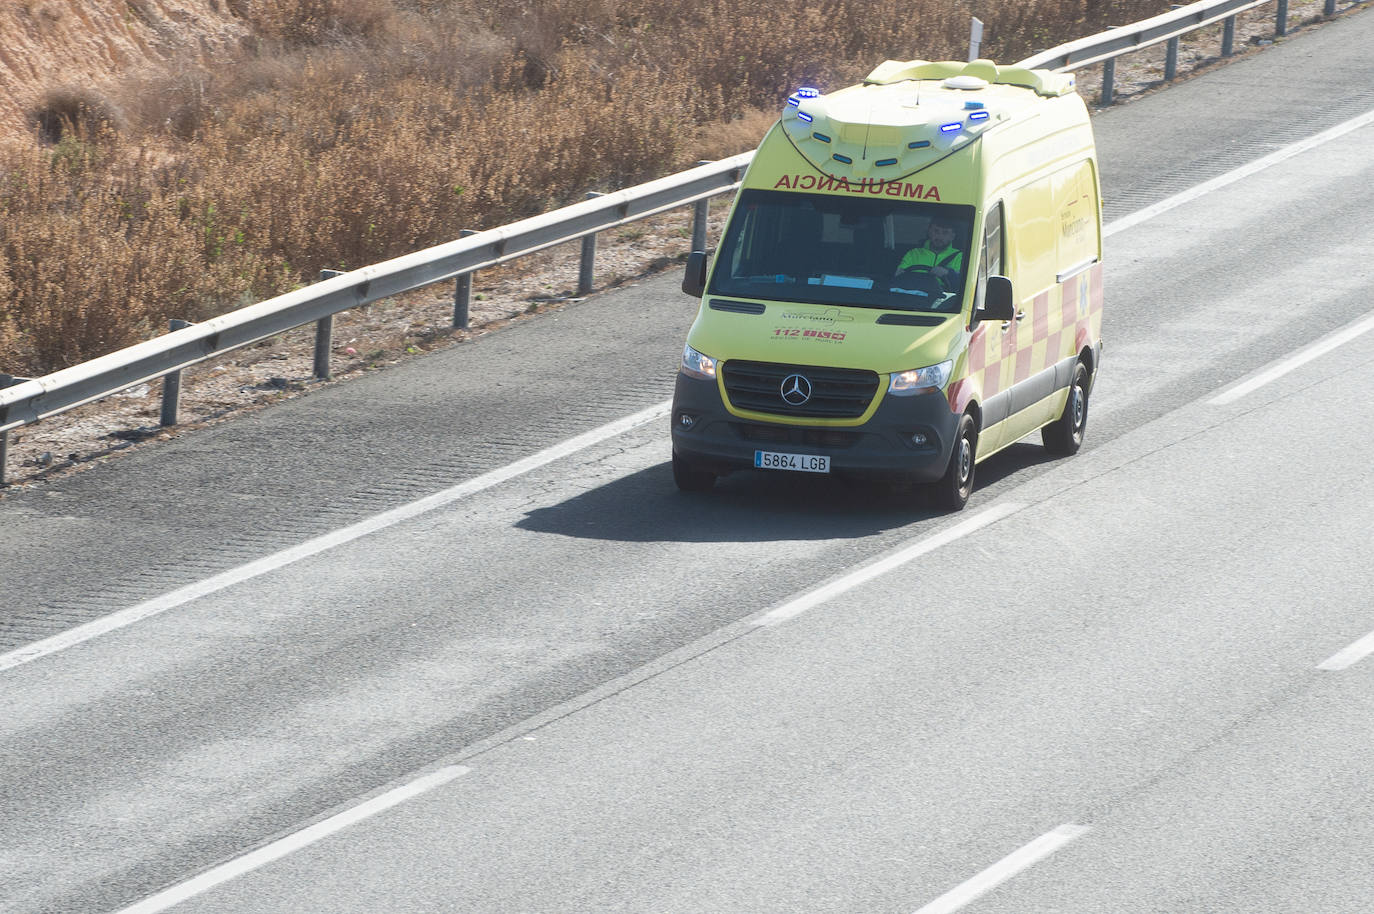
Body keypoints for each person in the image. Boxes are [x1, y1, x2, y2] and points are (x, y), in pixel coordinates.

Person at [895, 217, 964, 291]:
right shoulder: (913, 253)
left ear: (952, 236)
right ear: (929, 232)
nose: (939, 236)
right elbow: (899, 277)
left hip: (943, 300)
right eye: (936, 231)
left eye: (945, 232)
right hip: (913, 296)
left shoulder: (960, 257)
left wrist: (948, 273)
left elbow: (961, 286)